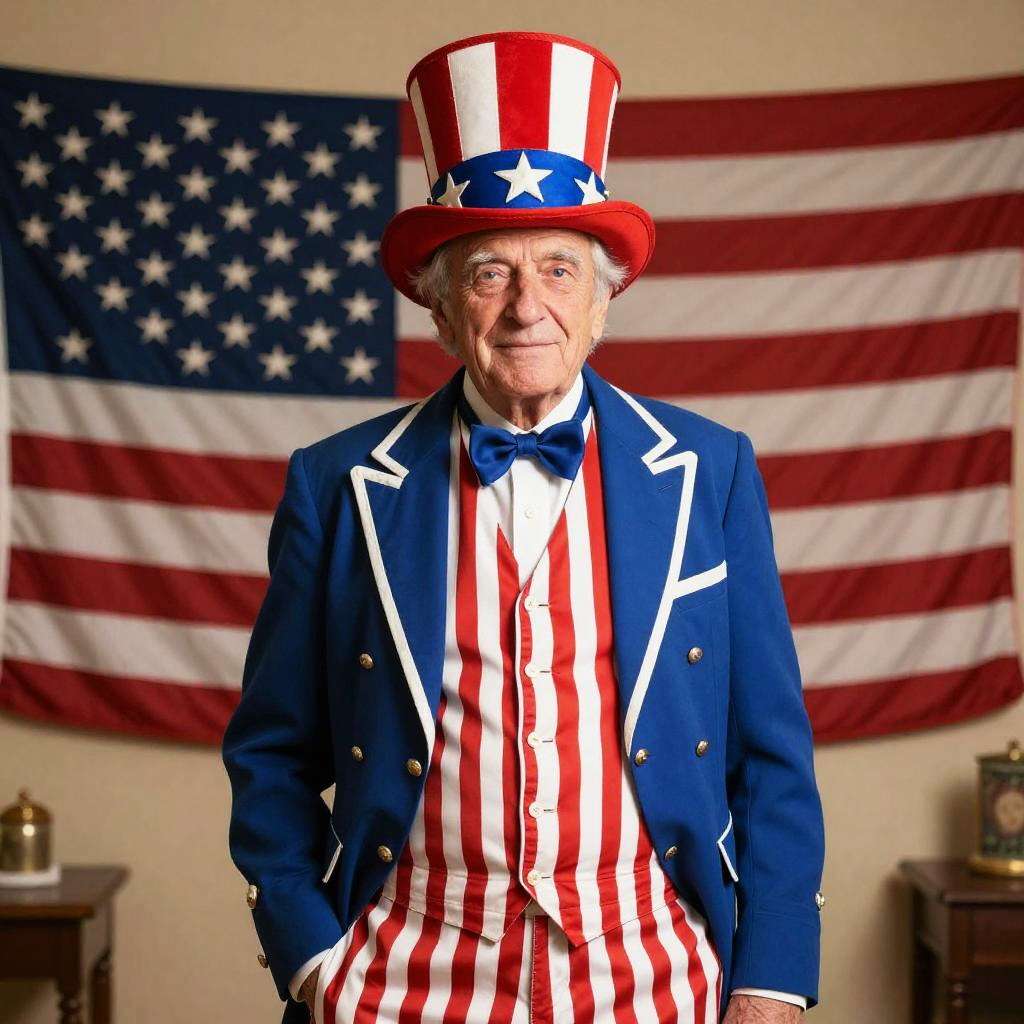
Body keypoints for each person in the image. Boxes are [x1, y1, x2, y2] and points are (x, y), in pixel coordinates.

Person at [223, 31, 825, 1024]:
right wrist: (312, 959)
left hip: (652, 968)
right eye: (489, 273)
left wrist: (768, 975)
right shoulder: (336, 485)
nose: (526, 307)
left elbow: (771, 754)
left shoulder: (708, 472)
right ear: (440, 306)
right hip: (404, 974)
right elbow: (272, 754)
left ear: (600, 303)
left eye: (556, 269)